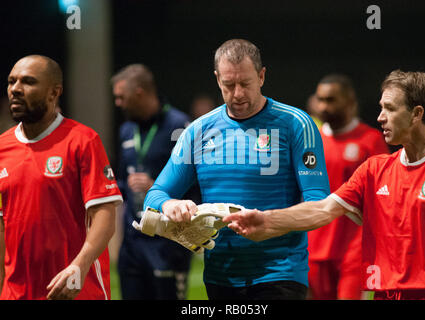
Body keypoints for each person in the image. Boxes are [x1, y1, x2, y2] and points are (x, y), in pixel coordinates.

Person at [224, 70, 425, 300]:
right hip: (384, 294)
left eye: (390, 108)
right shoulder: (374, 169)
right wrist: (267, 219)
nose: (380, 116)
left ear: (417, 114)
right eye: (381, 107)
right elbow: (323, 209)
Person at [142, 39, 330, 300]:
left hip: (280, 273)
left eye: (246, 83)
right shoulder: (198, 131)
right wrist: (171, 205)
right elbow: (156, 193)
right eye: (229, 85)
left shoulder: (296, 124)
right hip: (221, 276)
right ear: (217, 79)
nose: (238, 93)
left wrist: (269, 223)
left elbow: (320, 205)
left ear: (262, 76)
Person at [0, 55, 123, 300]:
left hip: (77, 289)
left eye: (28, 82)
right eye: (11, 81)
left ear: (54, 92)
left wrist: (80, 264)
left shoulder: (83, 141)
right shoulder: (2, 147)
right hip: (16, 292)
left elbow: (105, 216)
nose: (15, 89)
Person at [111, 64, 199, 299]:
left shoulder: (180, 126)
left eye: (122, 97)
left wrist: (157, 189)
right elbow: (121, 180)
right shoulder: (127, 130)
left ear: (139, 93)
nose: (118, 103)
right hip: (132, 243)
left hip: (168, 241)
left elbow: (197, 184)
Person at [307, 74, 389, 300]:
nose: (324, 107)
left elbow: (383, 196)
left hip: (354, 249)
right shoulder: (310, 142)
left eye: (331, 100)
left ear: (350, 101)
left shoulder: (371, 140)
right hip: (314, 248)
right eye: (321, 100)